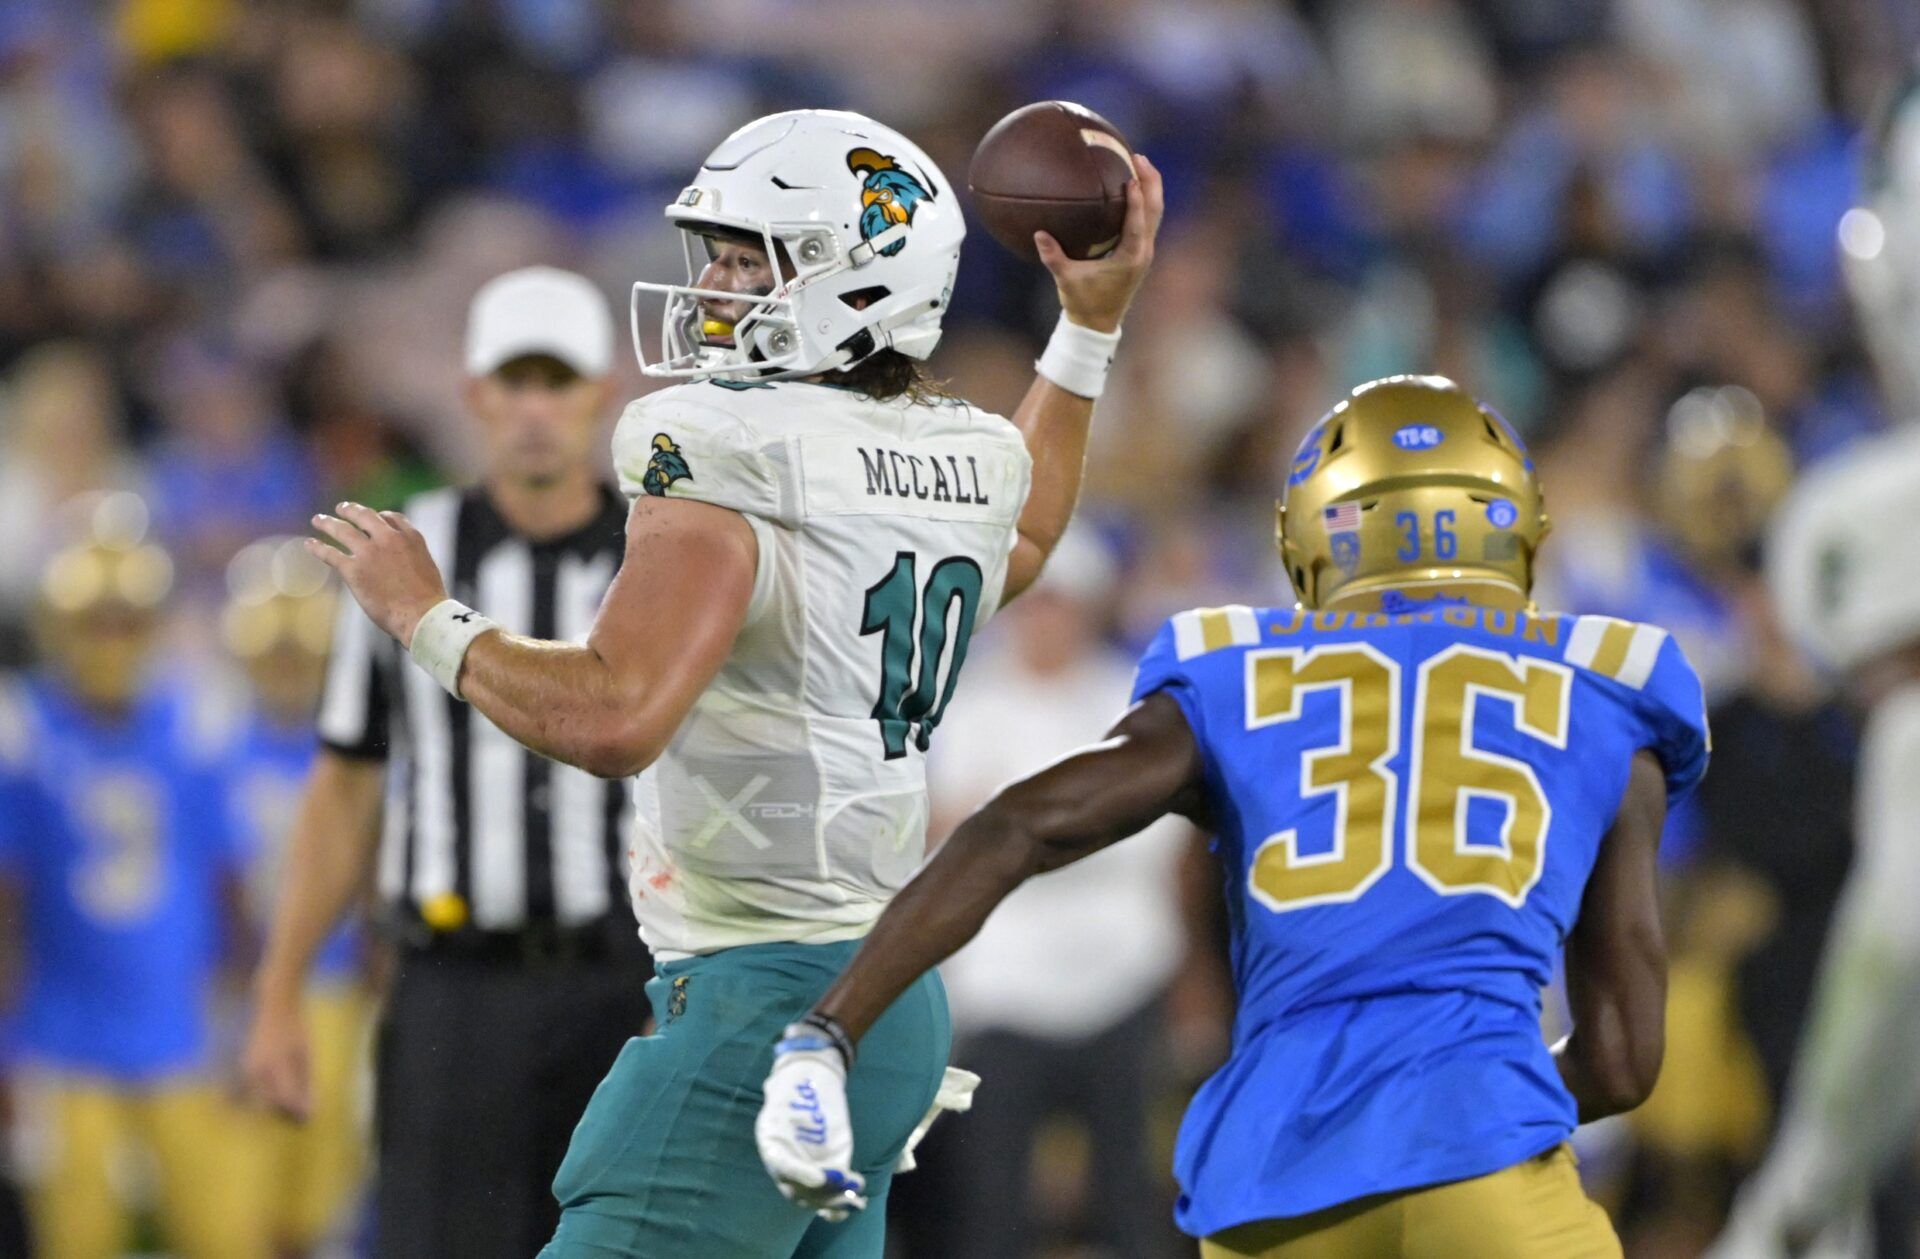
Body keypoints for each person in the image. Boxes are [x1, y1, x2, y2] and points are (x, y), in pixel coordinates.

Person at [303, 108, 1163, 1257]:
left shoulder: (722, 441)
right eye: (714, 249)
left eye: (748, 253)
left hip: (759, 1001)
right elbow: (1030, 537)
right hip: (888, 1003)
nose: (711, 282)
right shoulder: (967, 453)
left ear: (854, 276)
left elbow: (617, 714)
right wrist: (1086, 337)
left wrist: (426, 615)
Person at [759, 375, 1710, 1258]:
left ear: (1314, 533)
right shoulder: (1608, 689)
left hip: (1276, 1187)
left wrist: (830, 1027)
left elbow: (1022, 825)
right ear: (1515, 527)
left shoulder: (1236, 670)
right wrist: (1469, 1090)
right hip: (1490, 1177)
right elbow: (1625, 1063)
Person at [242, 266, 649, 1259]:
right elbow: (346, 784)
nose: (536, 410)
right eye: (516, 382)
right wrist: (281, 986)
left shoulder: (660, 554)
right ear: (475, 396)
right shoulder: (407, 555)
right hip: (454, 988)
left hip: (627, 987)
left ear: (600, 393)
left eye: (558, 382)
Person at [918, 527, 1190, 1259]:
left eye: (1062, 605)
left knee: (1130, 1196)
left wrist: (1013, 840)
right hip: (1001, 984)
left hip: (1122, 972)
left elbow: (1161, 846)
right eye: (1035, 605)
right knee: (990, 1201)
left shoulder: (1129, 699)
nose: (1048, 621)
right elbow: (932, 844)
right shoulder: (966, 707)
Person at [0, 493, 259, 1259]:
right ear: (58, 625)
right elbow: (7, 905)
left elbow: (230, 888)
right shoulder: (25, 730)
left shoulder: (195, 721)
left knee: (224, 1235)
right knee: (77, 1241)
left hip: (181, 1030)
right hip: (60, 1037)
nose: (110, 639)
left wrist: (244, 1013)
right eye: (94, 620)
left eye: (126, 620)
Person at [220, 537, 371, 1256]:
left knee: (321, 1203)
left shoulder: (353, 753)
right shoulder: (209, 748)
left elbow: (377, 881)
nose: (285, 668)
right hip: (243, 989)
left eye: (298, 654)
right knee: (240, 1201)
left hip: (336, 989)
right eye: (273, 653)